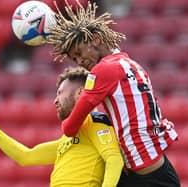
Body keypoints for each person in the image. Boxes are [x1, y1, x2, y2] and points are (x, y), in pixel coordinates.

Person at [47, 1, 180, 187]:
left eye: (79, 52)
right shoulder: (132, 64)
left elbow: (69, 128)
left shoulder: (102, 71)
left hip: (145, 178)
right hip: (157, 168)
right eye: (74, 58)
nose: (79, 61)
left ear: (95, 39)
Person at [0, 67, 123, 187]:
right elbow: (26, 157)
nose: (55, 100)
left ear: (80, 93)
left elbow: (114, 160)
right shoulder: (68, 139)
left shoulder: (94, 121)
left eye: (60, 93)